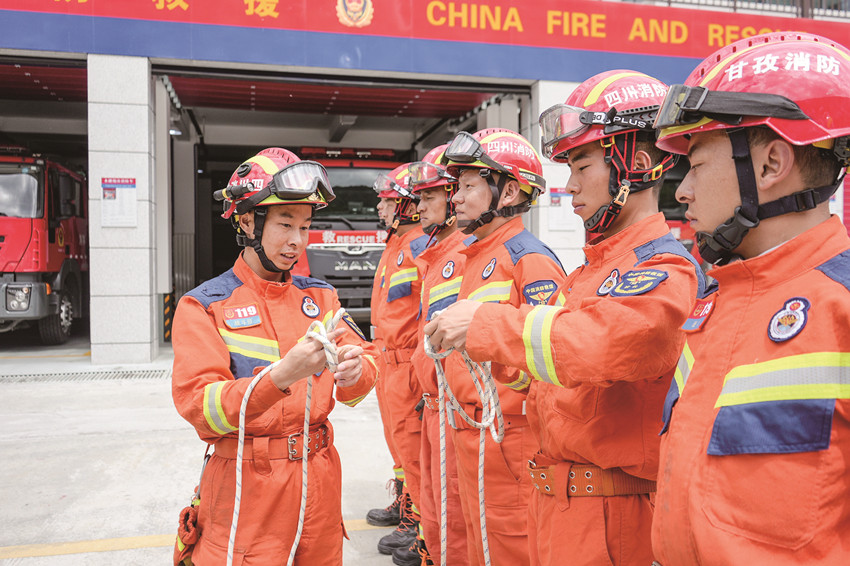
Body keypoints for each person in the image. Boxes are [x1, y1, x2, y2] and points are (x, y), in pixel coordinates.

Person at [426, 72, 705, 566]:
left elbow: (602, 344)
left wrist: (485, 325)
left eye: (582, 166)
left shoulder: (666, 269)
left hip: (611, 517)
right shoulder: (589, 272)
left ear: (637, 166)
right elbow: (550, 372)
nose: (570, 185)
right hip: (561, 504)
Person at [650, 32, 850, 565]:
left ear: (769, 165)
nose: (682, 191)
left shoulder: (841, 309)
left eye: (696, 164)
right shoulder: (715, 301)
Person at [171, 148, 379, 565]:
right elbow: (201, 410)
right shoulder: (204, 307)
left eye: (305, 226)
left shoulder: (321, 296)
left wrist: (357, 370)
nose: (297, 241)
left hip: (320, 479)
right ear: (248, 221)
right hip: (246, 485)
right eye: (285, 224)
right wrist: (280, 377)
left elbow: (363, 376)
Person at [424, 128, 568, 566]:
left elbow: (552, 361)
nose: (456, 198)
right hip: (472, 433)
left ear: (507, 192)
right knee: (476, 547)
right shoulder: (478, 257)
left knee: (509, 547)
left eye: (468, 186)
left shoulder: (530, 260)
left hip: (510, 440)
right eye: (458, 187)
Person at [394, 143, 470, 566]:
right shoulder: (437, 253)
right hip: (435, 401)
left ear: (453, 196)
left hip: (455, 407)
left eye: (428, 196)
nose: (418, 206)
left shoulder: (462, 254)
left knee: (454, 516)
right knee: (438, 506)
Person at [368, 163, 432, 558]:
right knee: (397, 444)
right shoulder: (397, 244)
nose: (380, 207)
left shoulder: (422, 246)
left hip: (407, 363)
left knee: (413, 447)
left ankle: (420, 523)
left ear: (407, 205)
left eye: (388, 200)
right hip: (386, 360)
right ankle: (406, 502)